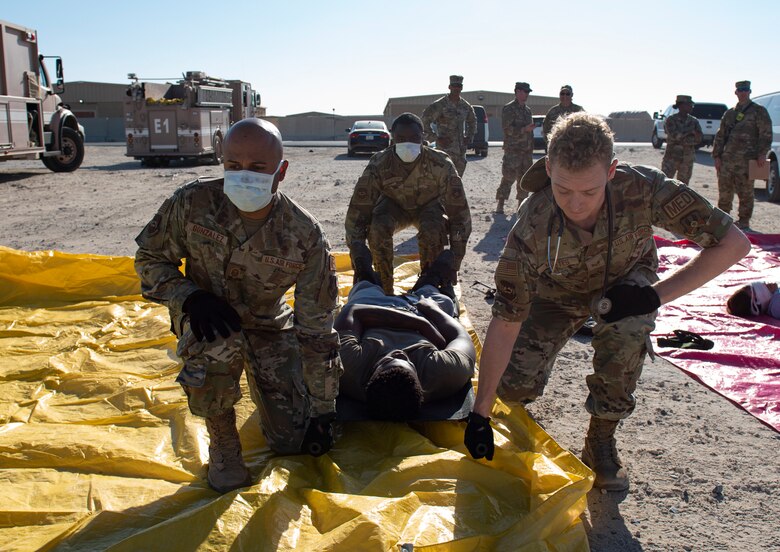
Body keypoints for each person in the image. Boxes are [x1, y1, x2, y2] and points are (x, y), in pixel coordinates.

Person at [463, 112, 751, 491]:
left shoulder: (645, 188)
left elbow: (734, 244)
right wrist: (480, 413)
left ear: (612, 171)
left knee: (630, 328)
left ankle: (601, 437)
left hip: (625, 285)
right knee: (512, 387)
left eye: (590, 191)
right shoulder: (531, 225)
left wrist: (651, 296)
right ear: (548, 169)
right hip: (555, 293)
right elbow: (506, 320)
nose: (576, 204)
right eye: (564, 190)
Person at [135, 118, 342, 493]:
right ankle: (224, 443)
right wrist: (190, 297)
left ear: (281, 172)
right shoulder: (193, 202)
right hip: (206, 320)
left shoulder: (304, 235)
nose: (243, 175)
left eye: (258, 168)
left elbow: (317, 330)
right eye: (233, 165)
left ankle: (274, 398)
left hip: (267, 325)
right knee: (215, 344)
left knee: (293, 441)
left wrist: (323, 409)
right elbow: (149, 259)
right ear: (222, 162)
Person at [336, 245, 476, 420]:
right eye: (405, 360)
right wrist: (429, 315)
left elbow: (354, 311)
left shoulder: (347, 367)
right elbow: (459, 335)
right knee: (443, 303)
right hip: (422, 313)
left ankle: (364, 273)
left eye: (387, 360)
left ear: (369, 379)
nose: (398, 352)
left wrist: (420, 325)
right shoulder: (445, 373)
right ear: (422, 385)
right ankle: (430, 280)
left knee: (363, 292)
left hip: (373, 308)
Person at [345, 112, 472, 295]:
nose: (407, 143)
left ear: (423, 138)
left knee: (433, 230)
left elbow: (460, 214)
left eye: (414, 138)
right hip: (392, 206)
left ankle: (431, 285)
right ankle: (382, 288)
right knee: (378, 228)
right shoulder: (379, 163)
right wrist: (359, 259)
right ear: (392, 139)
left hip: (428, 207)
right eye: (401, 138)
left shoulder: (441, 164)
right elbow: (357, 213)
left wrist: (453, 261)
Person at [712, 80, 773, 231]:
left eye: (746, 89)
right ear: (736, 92)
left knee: (746, 193)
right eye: (741, 90)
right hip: (728, 160)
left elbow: (766, 134)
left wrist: (762, 153)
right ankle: (724, 220)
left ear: (750, 92)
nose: (743, 92)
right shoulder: (730, 113)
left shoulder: (759, 111)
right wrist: (717, 156)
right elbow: (721, 136)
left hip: (748, 160)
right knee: (724, 192)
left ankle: (744, 222)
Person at [422, 75, 477, 176]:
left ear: (462, 87)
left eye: (459, 86)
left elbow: (473, 122)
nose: (456, 88)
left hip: (460, 153)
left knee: (457, 183)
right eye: (454, 85)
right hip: (444, 151)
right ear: (449, 87)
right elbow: (424, 121)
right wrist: (436, 138)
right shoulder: (440, 105)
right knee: (442, 181)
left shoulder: (465, 106)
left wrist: (469, 137)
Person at [496, 82, 536, 213]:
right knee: (508, 176)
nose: (526, 94)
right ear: (517, 92)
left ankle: (520, 205)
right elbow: (507, 129)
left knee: (524, 178)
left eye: (528, 92)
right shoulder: (509, 109)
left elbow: (528, 132)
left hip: (526, 150)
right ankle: (500, 204)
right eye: (524, 92)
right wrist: (524, 129)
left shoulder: (527, 110)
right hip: (513, 150)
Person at [661, 95, 703, 185]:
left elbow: (699, 139)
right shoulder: (671, 120)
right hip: (671, 158)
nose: (691, 107)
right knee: (664, 184)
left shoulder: (694, 121)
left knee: (683, 186)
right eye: (689, 104)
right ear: (681, 105)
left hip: (687, 159)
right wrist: (690, 133)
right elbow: (675, 136)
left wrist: (686, 136)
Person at [542, 85, 584, 149]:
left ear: (572, 95)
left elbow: (586, 127)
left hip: (575, 148)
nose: (565, 96)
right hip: (557, 148)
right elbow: (545, 129)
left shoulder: (579, 110)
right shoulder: (553, 111)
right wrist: (550, 143)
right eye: (562, 94)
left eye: (567, 94)